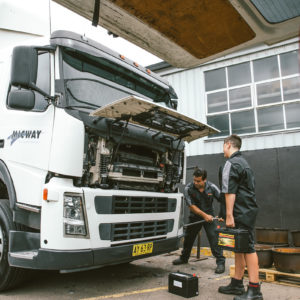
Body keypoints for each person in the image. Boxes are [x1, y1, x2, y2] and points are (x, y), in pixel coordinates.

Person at [218, 135, 263, 300]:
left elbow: (230, 191)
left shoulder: (231, 163)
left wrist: (229, 215)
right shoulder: (244, 163)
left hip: (240, 213)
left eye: (223, 146)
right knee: (240, 247)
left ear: (228, 144)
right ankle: (237, 283)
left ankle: (255, 290)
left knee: (248, 248)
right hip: (246, 210)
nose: (222, 149)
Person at [173, 167, 226, 274]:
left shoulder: (212, 187)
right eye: (194, 180)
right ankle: (184, 258)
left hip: (209, 217)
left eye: (198, 181)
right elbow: (191, 206)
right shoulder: (189, 188)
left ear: (204, 180)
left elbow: (223, 200)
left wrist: (222, 214)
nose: (196, 183)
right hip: (195, 216)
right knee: (188, 238)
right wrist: (204, 215)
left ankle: (220, 262)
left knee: (214, 238)